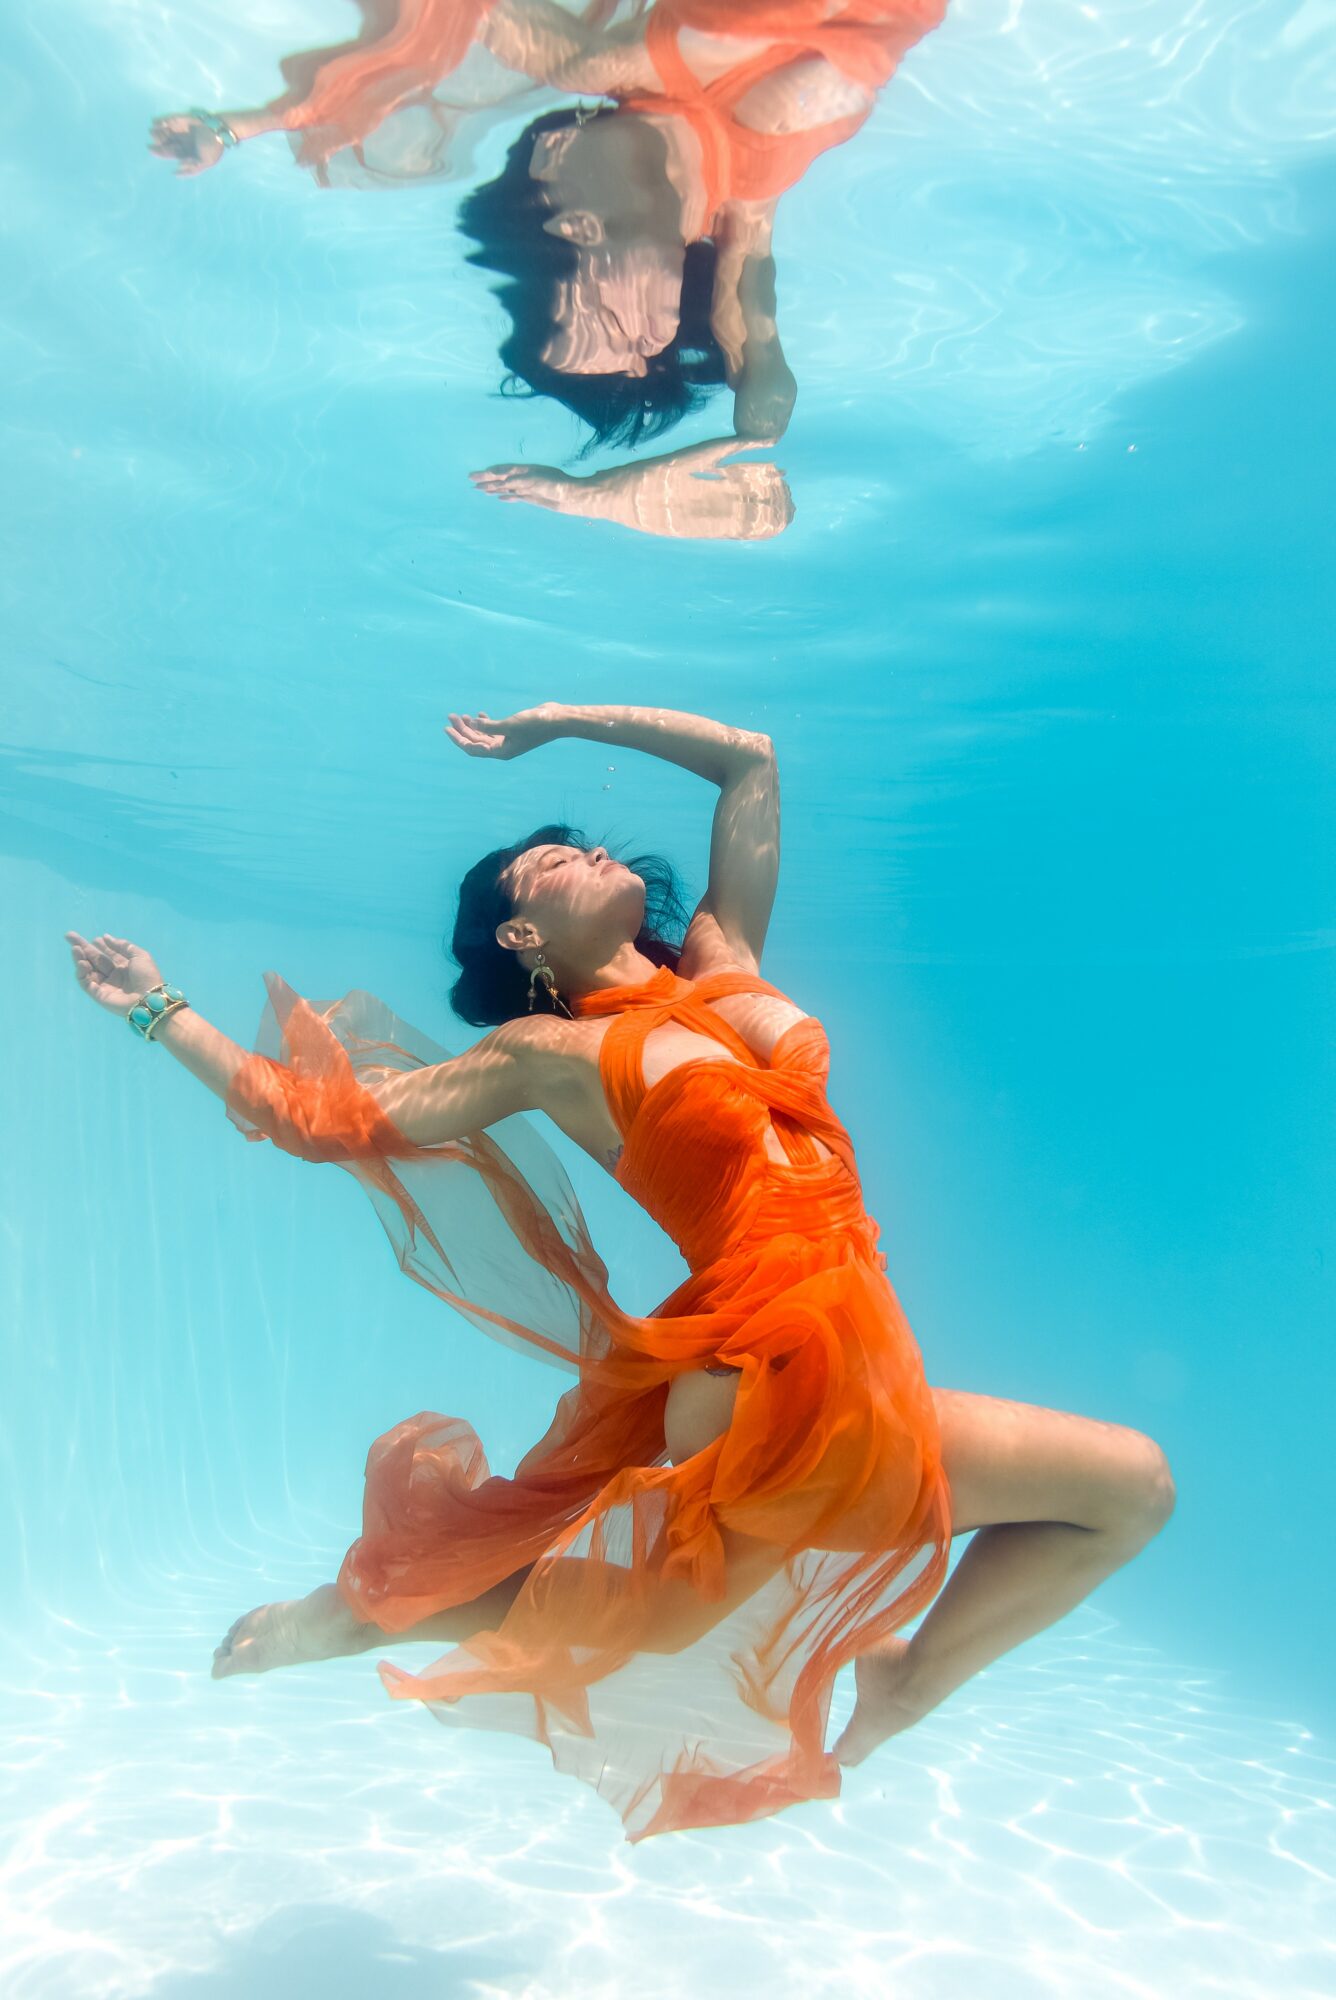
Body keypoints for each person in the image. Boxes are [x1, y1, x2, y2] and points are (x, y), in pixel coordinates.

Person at [66, 701, 1176, 1845]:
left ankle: (894, 1682)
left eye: (580, 840)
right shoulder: (548, 1053)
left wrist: (557, 721)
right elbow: (322, 1115)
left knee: (1127, 1489)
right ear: (518, 937)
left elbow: (750, 760)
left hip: (853, 1354)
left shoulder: (719, 965)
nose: (587, 847)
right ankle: (349, 1620)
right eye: (546, 861)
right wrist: (162, 1008)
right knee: (631, 1611)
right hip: (761, 1362)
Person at [148, 0, 951, 538]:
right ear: (668, 327)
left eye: (558, 263)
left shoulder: (593, 66)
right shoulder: (749, 201)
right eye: (612, 321)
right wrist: (601, 496)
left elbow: (459, 14)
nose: (574, 237)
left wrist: (242, 123)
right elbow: (763, 440)